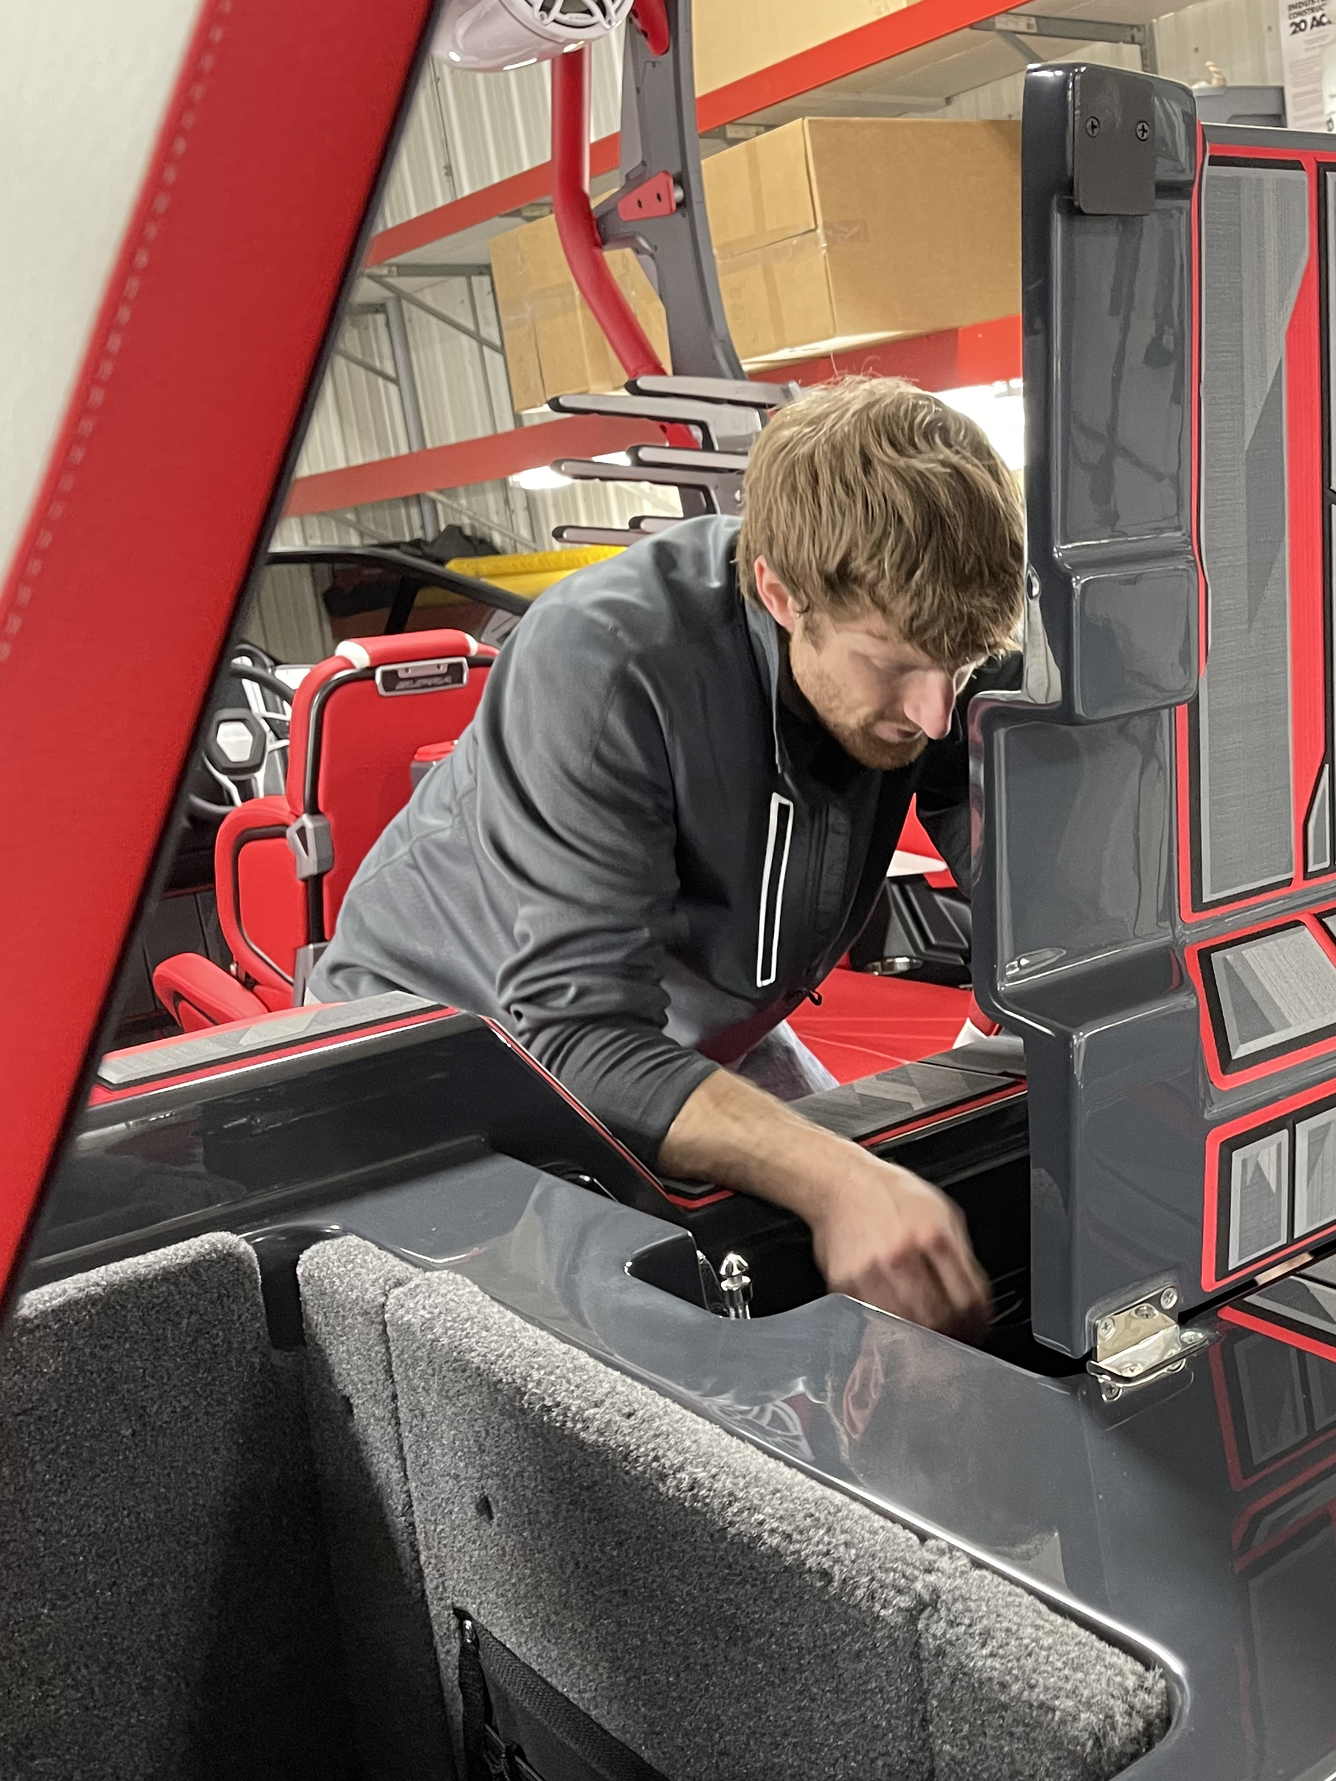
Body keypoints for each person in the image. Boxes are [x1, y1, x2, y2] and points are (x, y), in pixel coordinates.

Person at [304, 378, 1021, 1339]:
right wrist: (841, 1182)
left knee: (870, 1251)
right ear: (778, 591)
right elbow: (578, 1043)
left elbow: (1019, 886)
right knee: (593, 1352)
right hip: (449, 1051)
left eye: (963, 667)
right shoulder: (606, 666)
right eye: (892, 668)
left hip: (686, 1008)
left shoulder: (936, 629)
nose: (935, 712)